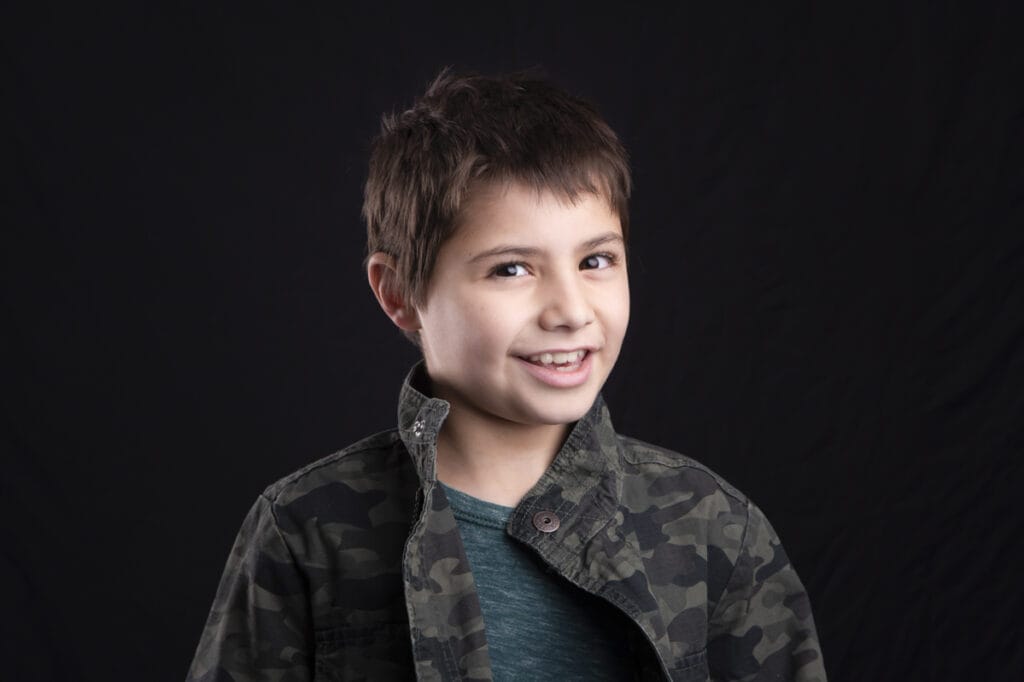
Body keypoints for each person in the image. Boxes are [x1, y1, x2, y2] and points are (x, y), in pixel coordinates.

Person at [186, 69, 826, 682]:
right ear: (400, 292)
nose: (572, 311)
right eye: (512, 269)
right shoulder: (309, 530)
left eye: (597, 260)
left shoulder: (715, 529)